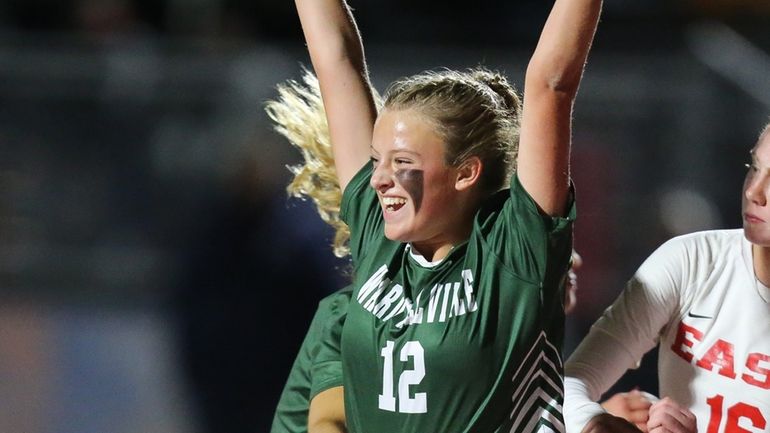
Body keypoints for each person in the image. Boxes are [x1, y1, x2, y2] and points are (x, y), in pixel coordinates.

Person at [290, 0, 602, 430]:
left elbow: (551, 84)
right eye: (377, 160)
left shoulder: (513, 255)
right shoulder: (380, 234)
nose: (377, 180)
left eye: (402, 162)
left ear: (466, 172)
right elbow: (337, 59)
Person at [564, 123, 770, 433]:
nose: (754, 191)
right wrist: (595, 421)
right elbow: (571, 382)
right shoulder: (693, 260)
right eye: (754, 167)